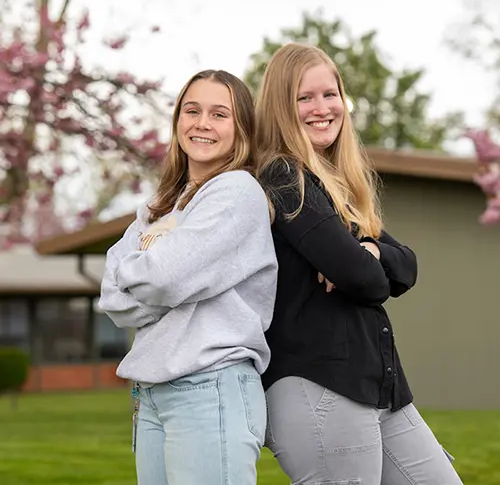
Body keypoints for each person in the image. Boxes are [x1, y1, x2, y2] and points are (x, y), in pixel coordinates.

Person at [254, 43, 463, 485]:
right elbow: (367, 282)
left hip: (379, 388)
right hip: (319, 386)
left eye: (330, 94)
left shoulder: (338, 188)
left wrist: (369, 250)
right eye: (304, 98)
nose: (322, 108)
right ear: (280, 107)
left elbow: (405, 265)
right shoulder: (284, 177)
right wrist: (363, 261)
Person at [98, 69, 278, 485]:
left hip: (209, 388)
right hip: (152, 395)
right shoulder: (162, 204)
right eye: (192, 110)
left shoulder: (237, 192)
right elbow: (111, 296)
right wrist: (159, 272)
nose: (202, 123)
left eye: (219, 114)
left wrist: (147, 267)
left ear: (241, 129)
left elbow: (162, 277)